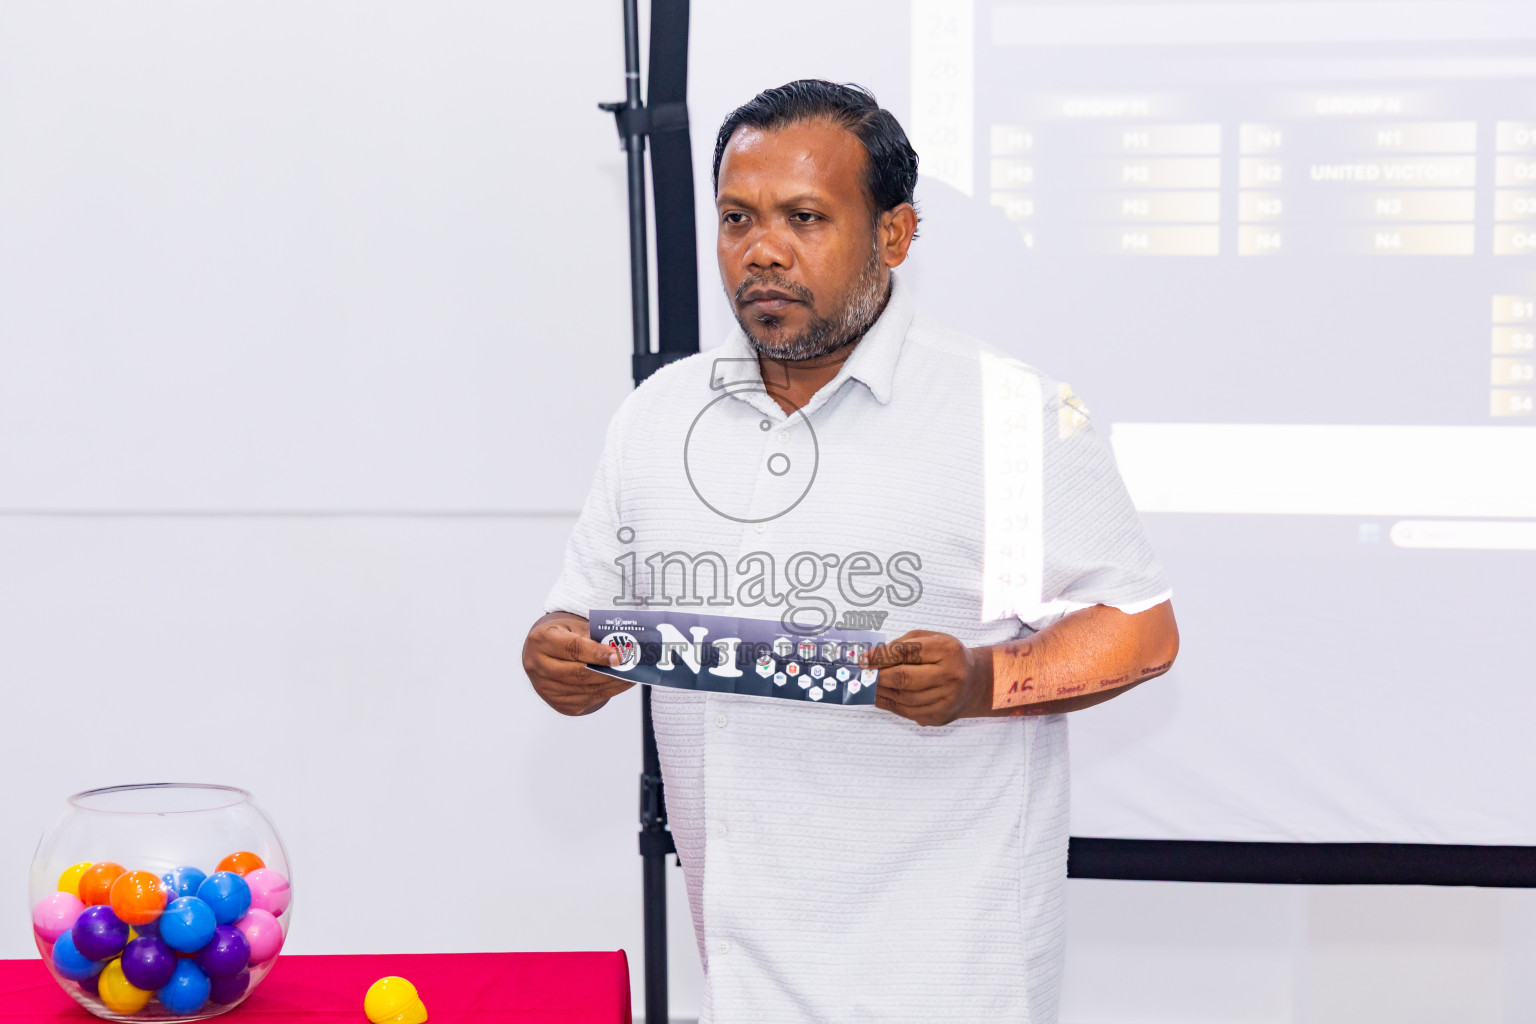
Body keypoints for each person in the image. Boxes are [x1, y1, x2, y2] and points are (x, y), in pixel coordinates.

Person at [523, 80, 1179, 1023]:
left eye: (804, 217)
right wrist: (561, 654)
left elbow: (1141, 628)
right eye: (737, 218)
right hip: (740, 980)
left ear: (894, 235)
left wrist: (982, 681)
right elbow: (579, 620)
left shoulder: (1007, 412)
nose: (763, 251)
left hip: (954, 982)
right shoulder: (659, 417)